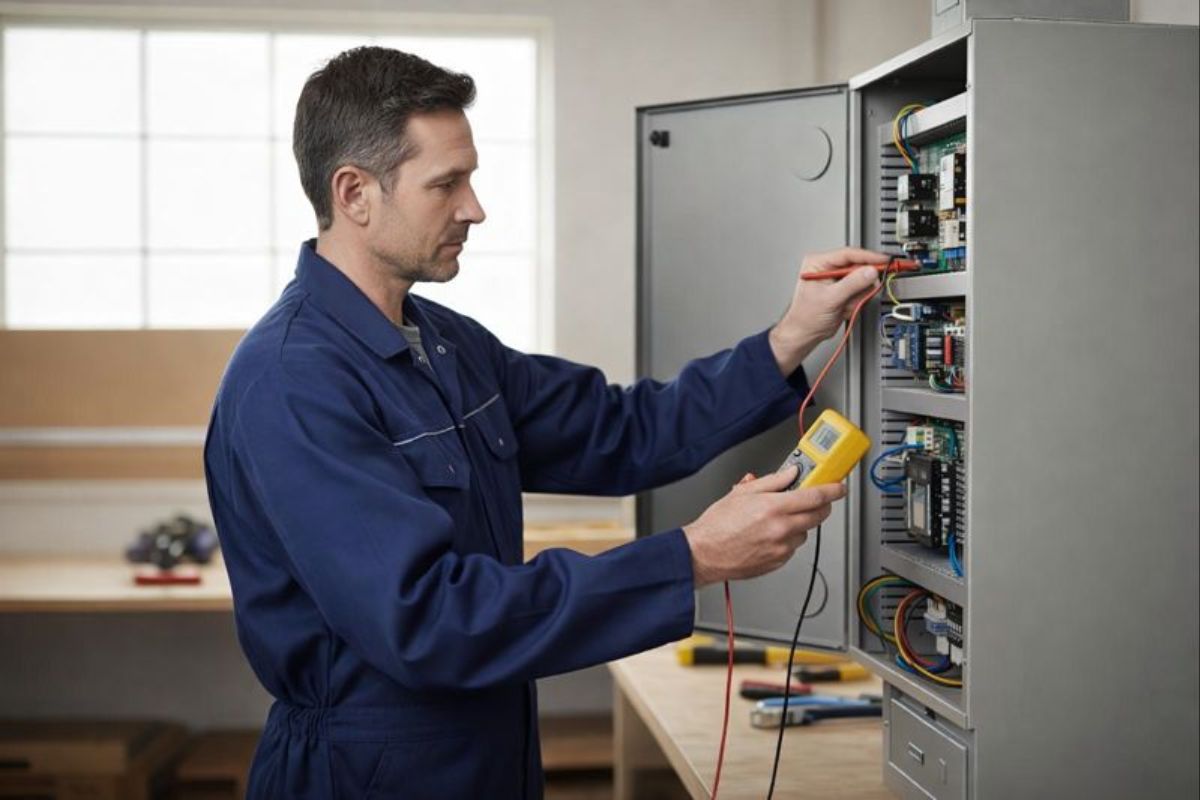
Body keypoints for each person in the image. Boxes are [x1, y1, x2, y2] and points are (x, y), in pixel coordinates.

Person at [204, 46, 886, 799]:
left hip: (488, 753)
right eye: (446, 183)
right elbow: (427, 620)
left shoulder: (447, 345)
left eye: (470, 178)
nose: (474, 207)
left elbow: (623, 429)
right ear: (354, 193)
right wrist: (690, 556)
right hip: (367, 773)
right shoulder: (293, 381)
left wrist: (790, 337)